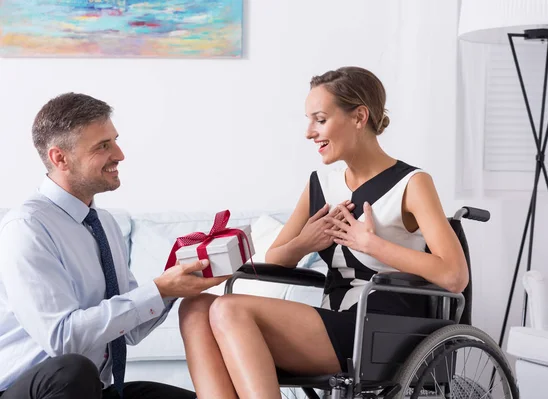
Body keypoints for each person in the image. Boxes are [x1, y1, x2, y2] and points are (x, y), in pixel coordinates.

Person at [177, 66, 469, 399]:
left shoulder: (412, 184)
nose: (309, 133)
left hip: (386, 327)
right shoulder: (320, 184)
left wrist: (370, 244)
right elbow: (275, 260)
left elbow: (454, 275)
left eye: (319, 119)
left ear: (359, 117)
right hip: (335, 320)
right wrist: (306, 243)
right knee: (195, 308)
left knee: (228, 308)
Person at [0, 93, 228, 399]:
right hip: (38, 389)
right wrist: (158, 289)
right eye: (103, 146)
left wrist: (174, 288)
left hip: (96, 390)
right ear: (60, 158)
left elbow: (129, 331)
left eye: (115, 140)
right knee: (72, 370)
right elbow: (63, 340)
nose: (119, 154)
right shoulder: (28, 227)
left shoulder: (103, 223)